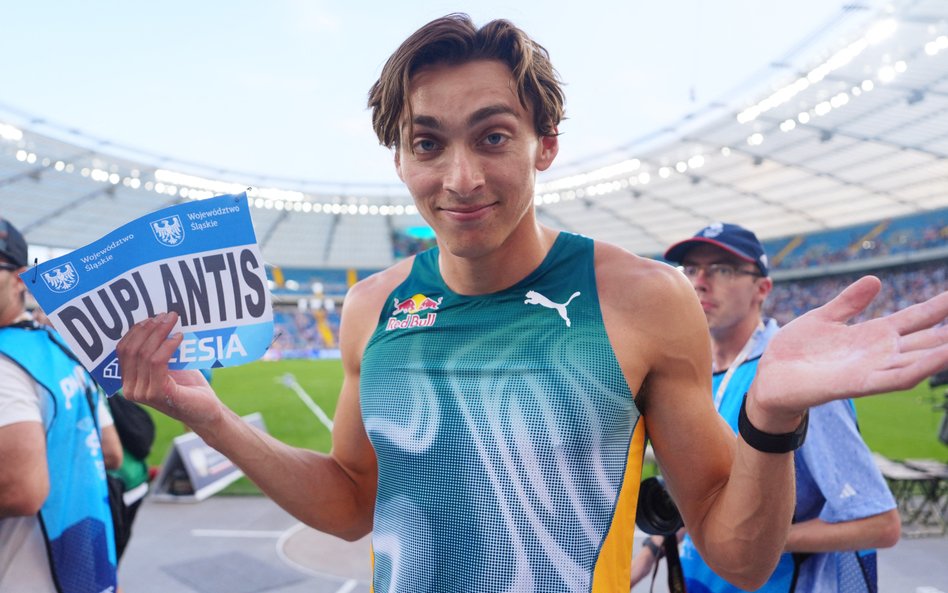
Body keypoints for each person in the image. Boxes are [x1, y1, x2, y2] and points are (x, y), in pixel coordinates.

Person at [115, 14, 948, 593]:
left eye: (493, 135)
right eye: (427, 142)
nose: (461, 178)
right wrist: (210, 415)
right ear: (399, 158)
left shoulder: (644, 299)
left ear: (545, 144)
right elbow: (349, 504)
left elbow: (734, 553)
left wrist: (769, 420)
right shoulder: (374, 307)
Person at [631, 222, 902, 592]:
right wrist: (649, 551)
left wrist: (748, 542)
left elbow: (878, 523)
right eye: (691, 269)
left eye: (722, 269)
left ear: (763, 289)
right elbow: (706, 499)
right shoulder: (692, 371)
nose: (700, 281)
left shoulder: (793, 376)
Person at [0, 217, 121, 593]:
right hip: (88, 568)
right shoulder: (61, 348)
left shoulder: (4, 364)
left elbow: (20, 491)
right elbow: (112, 452)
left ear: (19, 278)